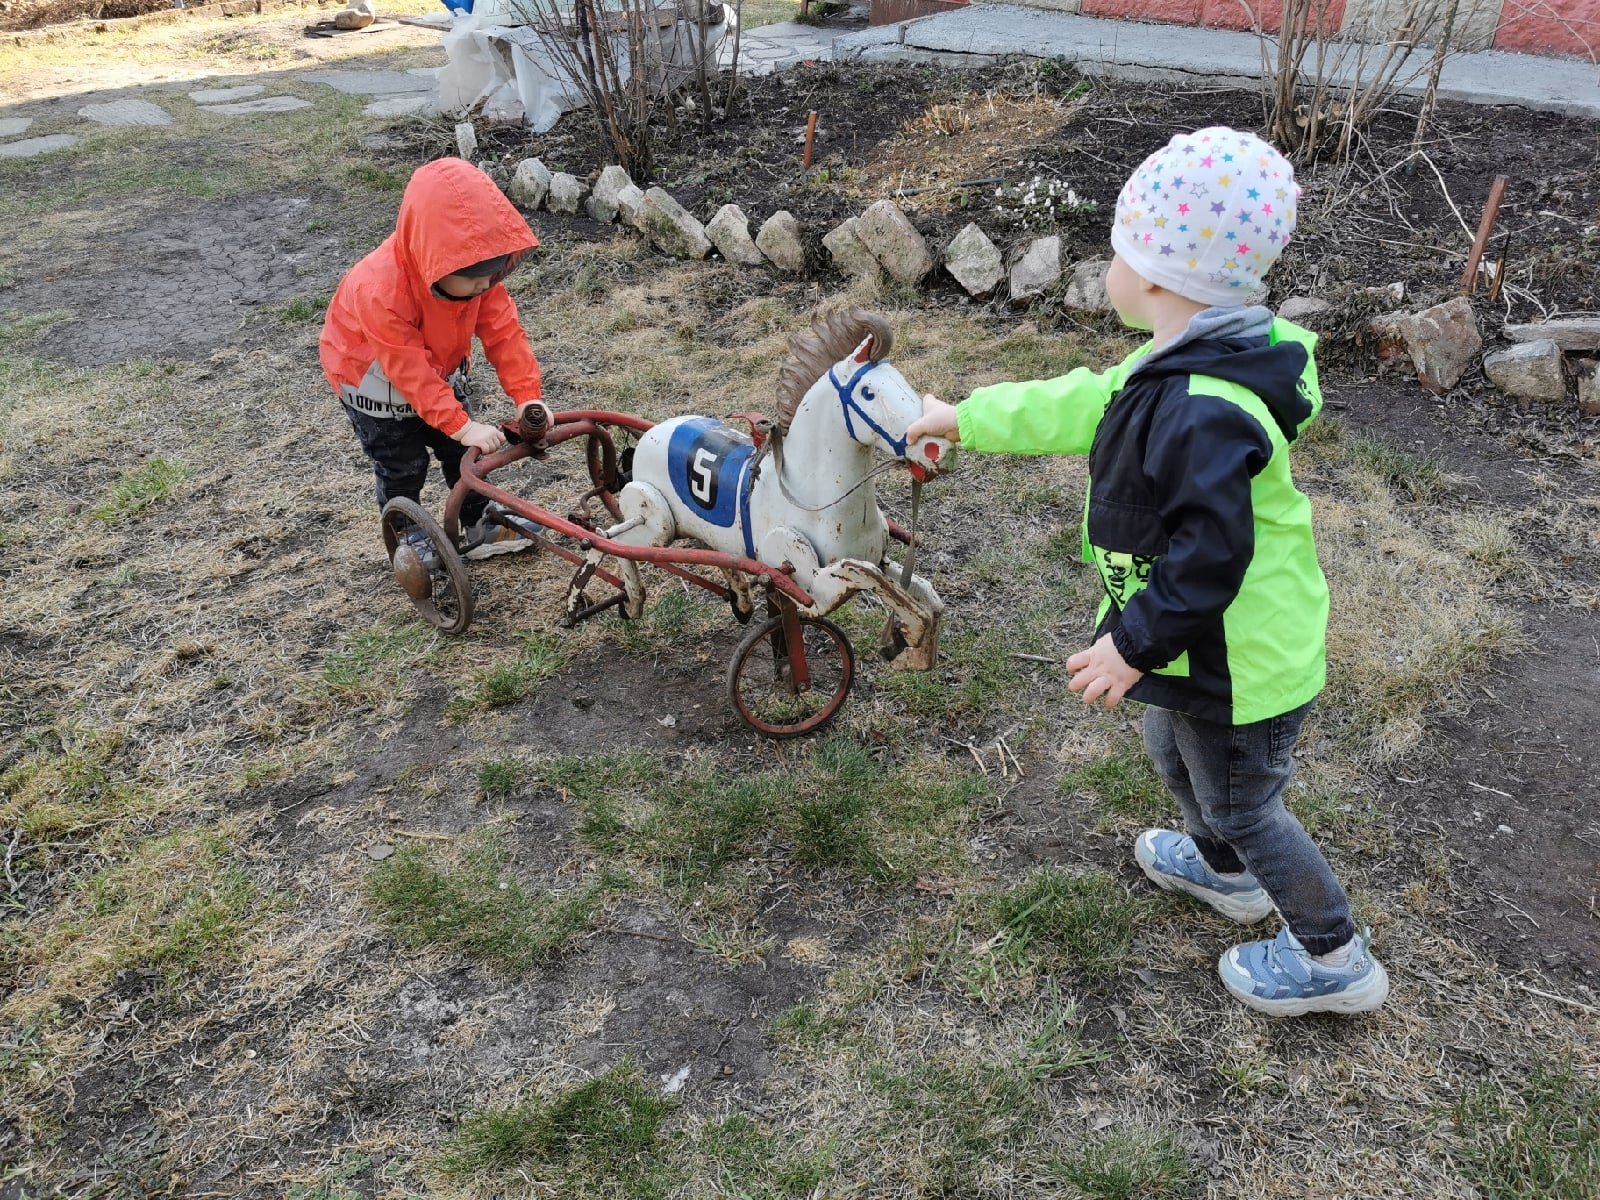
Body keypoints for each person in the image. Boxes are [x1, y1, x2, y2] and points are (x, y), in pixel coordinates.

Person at [907, 127, 1388, 1016]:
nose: (1109, 266)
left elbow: (1212, 560)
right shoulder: (1181, 354)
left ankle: (1332, 955)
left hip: (1240, 661)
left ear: (1161, 277)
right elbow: (1087, 400)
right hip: (1192, 648)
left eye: (1119, 251)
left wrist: (1130, 647)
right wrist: (960, 416)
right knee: (1173, 749)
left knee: (1244, 801)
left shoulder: (1204, 408)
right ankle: (1224, 872)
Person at [321, 156, 551, 559]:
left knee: (461, 454)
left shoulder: (480, 281)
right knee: (402, 464)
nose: (485, 287)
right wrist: (461, 424)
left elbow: (504, 333)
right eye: (474, 280)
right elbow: (410, 373)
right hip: (373, 380)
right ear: (437, 260)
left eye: (491, 278)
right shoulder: (379, 290)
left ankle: (479, 521)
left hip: (434, 371)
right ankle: (408, 537)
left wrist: (527, 396)